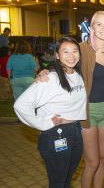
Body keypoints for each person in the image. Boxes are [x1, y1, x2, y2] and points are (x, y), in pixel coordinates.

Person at [36, 11, 104, 188]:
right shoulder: (83, 49)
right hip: (88, 111)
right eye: (98, 24)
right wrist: (47, 71)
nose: (103, 28)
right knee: (92, 162)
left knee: (103, 159)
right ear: (91, 27)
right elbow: (66, 61)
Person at [14, 37, 86, 187]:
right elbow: (20, 105)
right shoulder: (51, 79)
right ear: (57, 55)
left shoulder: (78, 75)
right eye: (65, 51)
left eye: (74, 51)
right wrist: (44, 123)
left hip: (75, 131)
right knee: (58, 182)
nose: (71, 56)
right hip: (56, 134)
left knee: (66, 179)